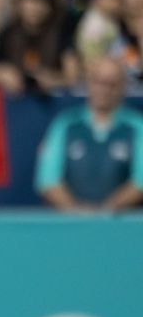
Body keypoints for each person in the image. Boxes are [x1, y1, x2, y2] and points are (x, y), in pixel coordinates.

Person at [36, 58, 143, 212]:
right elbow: (48, 180)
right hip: (72, 225)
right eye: (98, 82)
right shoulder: (66, 124)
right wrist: (77, 211)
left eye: (111, 84)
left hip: (122, 225)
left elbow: (140, 182)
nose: (104, 89)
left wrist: (107, 210)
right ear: (88, 83)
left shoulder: (136, 126)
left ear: (122, 87)